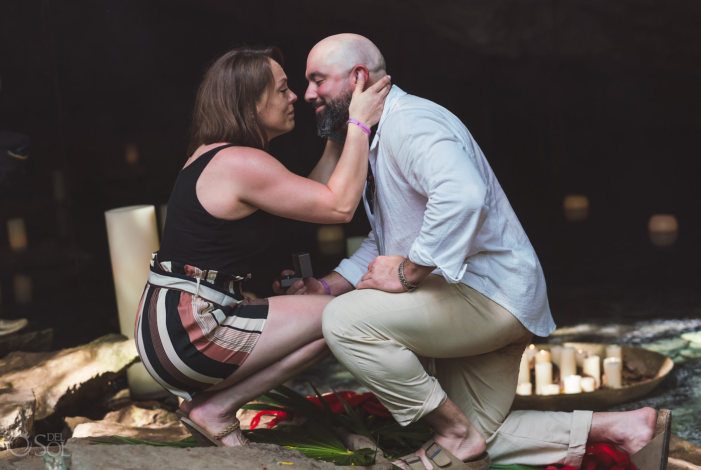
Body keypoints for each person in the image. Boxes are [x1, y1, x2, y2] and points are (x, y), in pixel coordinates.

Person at [275, 34, 669, 470]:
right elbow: (392, 232)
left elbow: (463, 196)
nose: (308, 93)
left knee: (344, 320)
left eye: (317, 80)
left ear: (359, 77)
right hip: (492, 299)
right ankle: (624, 427)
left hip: (485, 297)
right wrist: (329, 283)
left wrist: (408, 272)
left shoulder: (412, 122)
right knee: (477, 440)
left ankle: (453, 430)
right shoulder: (381, 132)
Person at [134, 45, 391, 447]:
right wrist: (359, 124)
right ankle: (215, 409)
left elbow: (313, 197)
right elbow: (339, 206)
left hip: (169, 325)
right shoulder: (239, 163)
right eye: (282, 89)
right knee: (345, 316)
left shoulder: (220, 156)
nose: (295, 98)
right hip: (189, 331)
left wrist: (337, 131)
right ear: (251, 104)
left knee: (333, 315)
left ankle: (212, 407)